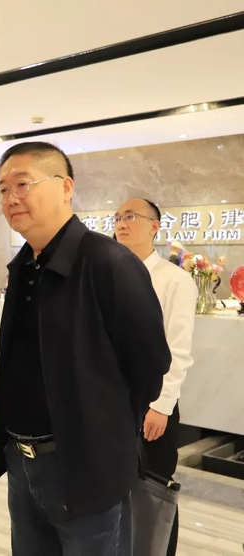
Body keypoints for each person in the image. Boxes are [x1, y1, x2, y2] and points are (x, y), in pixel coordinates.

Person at [0, 141, 171, 556]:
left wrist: (103, 431)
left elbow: (150, 364)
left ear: (66, 187)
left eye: (23, 184)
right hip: (22, 460)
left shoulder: (110, 263)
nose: (11, 198)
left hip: (87, 465)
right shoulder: (23, 266)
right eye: (3, 189)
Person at [115, 197, 198, 555]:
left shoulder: (174, 280)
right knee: (117, 488)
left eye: (130, 216)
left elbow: (178, 350)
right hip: (112, 400)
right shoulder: (109, 273)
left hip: (151, 403)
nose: (121, 223)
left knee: (154, 489)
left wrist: (161, 405)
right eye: (117, 217)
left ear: (154, 227)